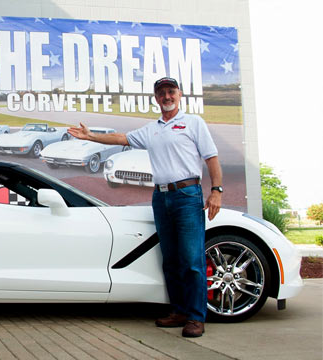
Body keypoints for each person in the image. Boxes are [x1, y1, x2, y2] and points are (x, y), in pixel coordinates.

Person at [68, 77, 222, 337]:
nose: (166, 96)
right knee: (171, 260)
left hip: (187, 195)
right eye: (161, 93)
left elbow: (211, 157)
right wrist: (91, 135)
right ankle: (179, 311)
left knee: (191, 260)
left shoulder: (193, 123)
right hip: (161, 198)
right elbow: (121, 138)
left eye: (171, 91)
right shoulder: (152, 130)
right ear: (156, 98)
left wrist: (216, 191)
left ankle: (196, 317)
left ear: (179, 94)